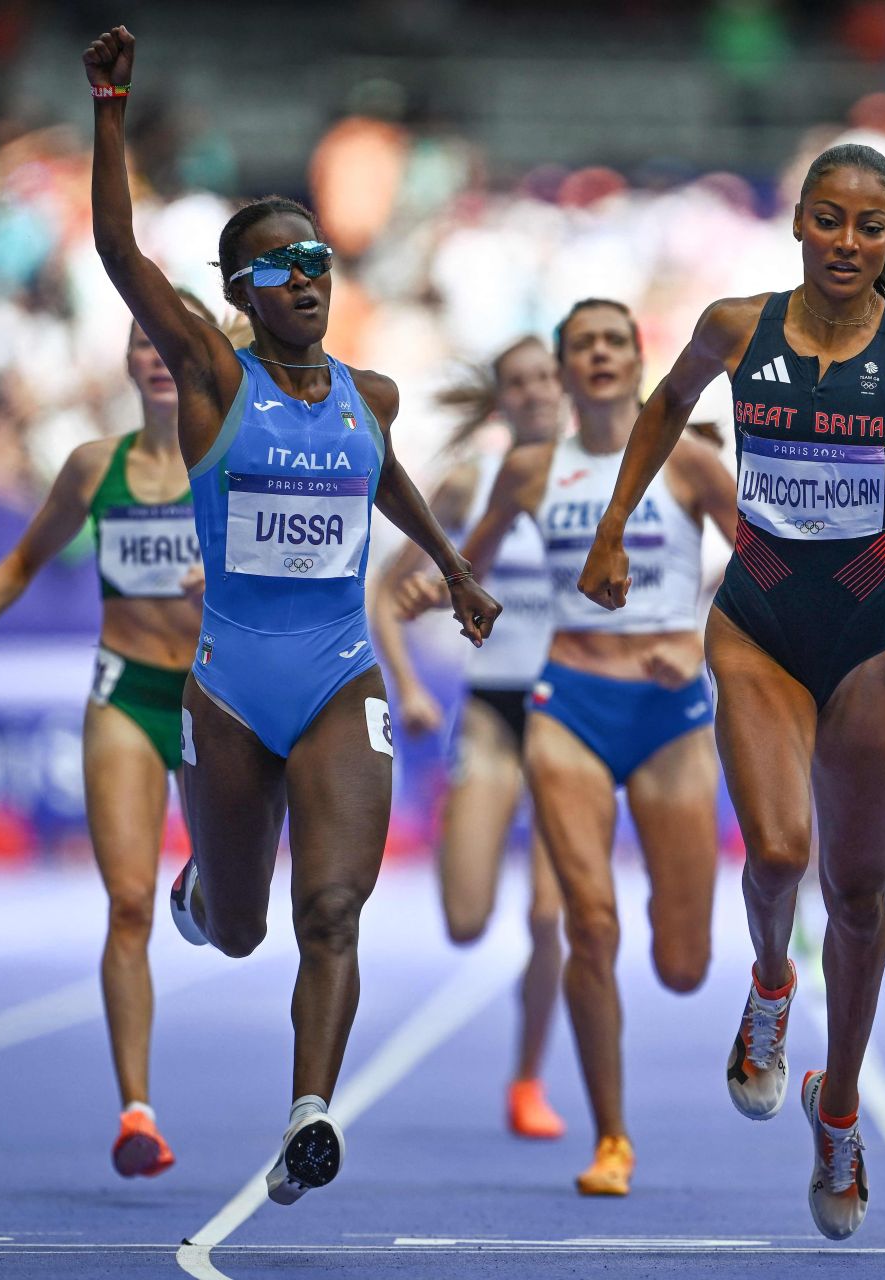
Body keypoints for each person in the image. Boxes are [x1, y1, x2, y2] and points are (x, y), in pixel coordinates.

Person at [85, 25, 499, 1206]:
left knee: (332, 908)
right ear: (239, 294)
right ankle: (201, 894)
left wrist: (456, 569)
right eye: (279, 265)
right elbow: (117, 248)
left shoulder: (371, 392)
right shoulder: (217, 383)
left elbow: (383, 475)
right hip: (225, 687)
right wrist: (113, 105)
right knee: (244, 925)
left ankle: (310, 1113)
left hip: (337, 675)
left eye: (317, 257)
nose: (307, 276)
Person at [576, 143, 885, 1240]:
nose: (850, 244)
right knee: (779, 852)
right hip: (759, 620)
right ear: (799, 223)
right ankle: (771, 985)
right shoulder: (737, 326)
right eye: (831, 220)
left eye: (872, 228)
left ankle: (837, 1106)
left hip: (870, 632)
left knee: (863, 896)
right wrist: (613, 526)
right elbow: (659, 409)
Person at [406, 298, 735, 1197]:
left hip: (670, 716)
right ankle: (612, 1140)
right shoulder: (528, 471)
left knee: (682, 964)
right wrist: (432, 596)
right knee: (589, 927)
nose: (597, 355)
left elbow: (772, 571)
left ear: (638, 362)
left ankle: (724, 984)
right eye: (581, 344)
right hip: (567, 704)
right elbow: (461, 571)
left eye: (613, 342)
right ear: (563, 368)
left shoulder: (692, 465)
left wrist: (701, 638)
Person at [0, 293, 219, 1180]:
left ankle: (214, 878)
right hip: (124, 694)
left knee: (237, 918)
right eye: (140, 341)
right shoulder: (93, 466)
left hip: (214, 700)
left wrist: (222, 584)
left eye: (166, 341)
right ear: (128, 361)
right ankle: (137, 1110)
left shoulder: (232, 468)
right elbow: (27, 555)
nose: (153, 355)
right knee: (128, 903)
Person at [370, 337, 569, 1140]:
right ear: (499, 402)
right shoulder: (468, 485)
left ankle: (528, 1079)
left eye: (546, 378)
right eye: (518, 384)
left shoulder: (608, 480)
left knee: (554, 916)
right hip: (490, 711)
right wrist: (409, 687)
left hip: (571, 716)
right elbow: (384, 597)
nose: (536, 394)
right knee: (464, 917)